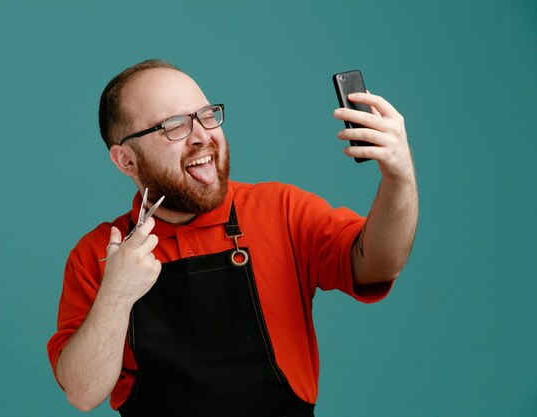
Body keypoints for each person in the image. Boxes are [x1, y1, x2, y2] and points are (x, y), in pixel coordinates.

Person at [47, 59, 418, 417]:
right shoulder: (98, 253)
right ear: (126, 160)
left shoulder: (281, 210)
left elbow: (379, 264)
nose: (201, 136)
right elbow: (83, 393)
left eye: (206, 115)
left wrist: (398, 179)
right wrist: (115, 294)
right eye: (174, 125)